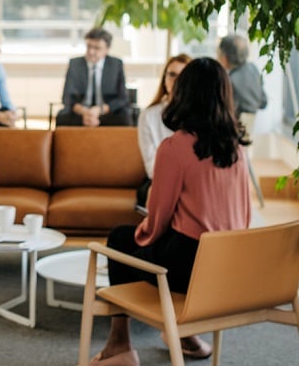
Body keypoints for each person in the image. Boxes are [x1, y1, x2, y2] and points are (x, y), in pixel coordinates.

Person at [92, 58, 251, 365]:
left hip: (186, 269)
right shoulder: (237, 148)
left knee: (120, 240)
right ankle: (183, 334)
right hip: (227, 267)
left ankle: (119, 346)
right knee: (139, 243)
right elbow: (243, 215)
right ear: (224, 95)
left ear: (185, 94)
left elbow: (157, 220)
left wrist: (142, 236)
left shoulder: (174, 147)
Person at [135, 54, 192, 208]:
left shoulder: (200, 115)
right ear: (164, 79)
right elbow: (151, 164)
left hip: (192, 180)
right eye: (172, 75)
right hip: (159, 178)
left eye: (183, 76)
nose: (176, 81)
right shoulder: (148, 116)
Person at [56, 28, 132, 127]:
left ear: (107, 49)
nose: (91, 52)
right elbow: (66, 97)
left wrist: (100, 110)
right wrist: (85, 112)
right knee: (62, 118)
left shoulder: (116, 64)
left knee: (124, 118)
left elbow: (123, 98)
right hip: (81, 112)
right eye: (89, 46)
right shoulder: (75, 64)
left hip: (106, 111)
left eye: (97, 48)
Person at [217, 34, 268, 118]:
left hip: (234, 126)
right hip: (249, 125)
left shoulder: (229, 80)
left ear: (225, 57)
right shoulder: (253, 69)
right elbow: (264, 102)